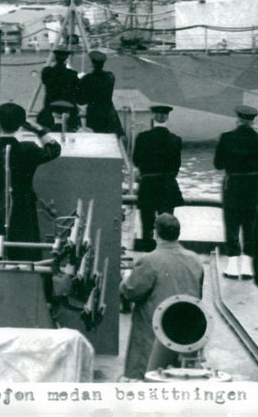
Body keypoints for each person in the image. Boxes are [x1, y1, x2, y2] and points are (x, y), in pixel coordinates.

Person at [119, 213, 203, 380]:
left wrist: (126, 278)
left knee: (144, 372)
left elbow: (130, 291)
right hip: (187, 332)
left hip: (155, 334)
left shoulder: (149, 260)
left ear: (155, 233)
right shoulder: (195, 260)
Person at [0, 102, 61, 261]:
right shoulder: (29, 149)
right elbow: (54, 149)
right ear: (21, 125)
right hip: (24, 208)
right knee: (25, 253)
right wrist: (38, 130)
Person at [214, 105, 258, 278]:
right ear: (253, 121)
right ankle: (247, 266)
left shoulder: (226, 137)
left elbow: (218, 164)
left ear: (238, 119)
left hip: (232, 185)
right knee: (250, 223)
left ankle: (232, 266)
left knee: (231, 222)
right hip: (252, 186)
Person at [132, 104, 184, 251]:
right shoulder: (176, 139)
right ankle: (167, 252)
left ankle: (148, 252)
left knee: (147, 224)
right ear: (166, 117)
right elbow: (176, 167)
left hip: (148, 184)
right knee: (167, 225)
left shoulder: (142, 138)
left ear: (153, 116)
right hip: (167, 185)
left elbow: (136, 160)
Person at [76, 50, 122, 135]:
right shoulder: (110, 76)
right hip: (108, 112)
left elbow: (81, 100)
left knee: (96, 139)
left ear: (92, 64)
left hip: (94, 114)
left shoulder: (87, 79)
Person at [37, 48, 80, 131]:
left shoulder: (47, 72)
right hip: (69, 109)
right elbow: (77, 90)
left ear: (55, 58)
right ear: (66, 59)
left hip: (50, 108)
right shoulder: (72, 74)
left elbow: (45, 81)